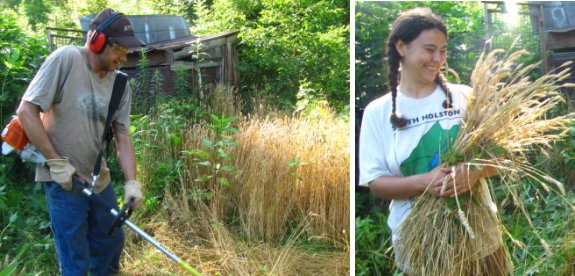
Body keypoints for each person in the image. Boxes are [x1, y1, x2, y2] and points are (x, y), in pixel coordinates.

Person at [358, 8, 509, 275]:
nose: (437, 59)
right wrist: (423, 182)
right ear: (401, 46)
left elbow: (501, 157)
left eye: (443, 50)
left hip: (480, 243)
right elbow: (377, 183)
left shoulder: (466, 98)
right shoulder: (378, 112)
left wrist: (473, 173)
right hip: (419, 251)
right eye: (429, 49)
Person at [16, 8, 145, 275]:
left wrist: (132, 181)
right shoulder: (66, 59)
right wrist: (56, 162)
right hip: (63, 181)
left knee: (111, 243)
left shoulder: (120, 84)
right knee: (75, 258)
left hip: (100, 180)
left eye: (127, 51)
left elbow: (123, 138)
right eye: (119, 49)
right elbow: (26, 111)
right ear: (96, 41)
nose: (124, 57)